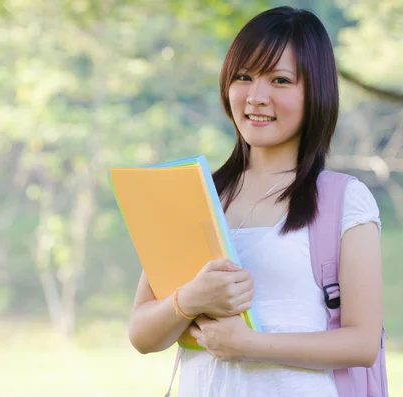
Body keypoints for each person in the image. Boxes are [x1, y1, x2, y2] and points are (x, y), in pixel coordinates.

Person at [128, 6, 383, 397]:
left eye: (280, 80)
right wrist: (189, 299)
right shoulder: (196, 194)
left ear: (315, 91)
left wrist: (247, 345)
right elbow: (142, 334)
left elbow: (362, 344)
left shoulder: (343, 200)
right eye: (243, 77)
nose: (256, 97)